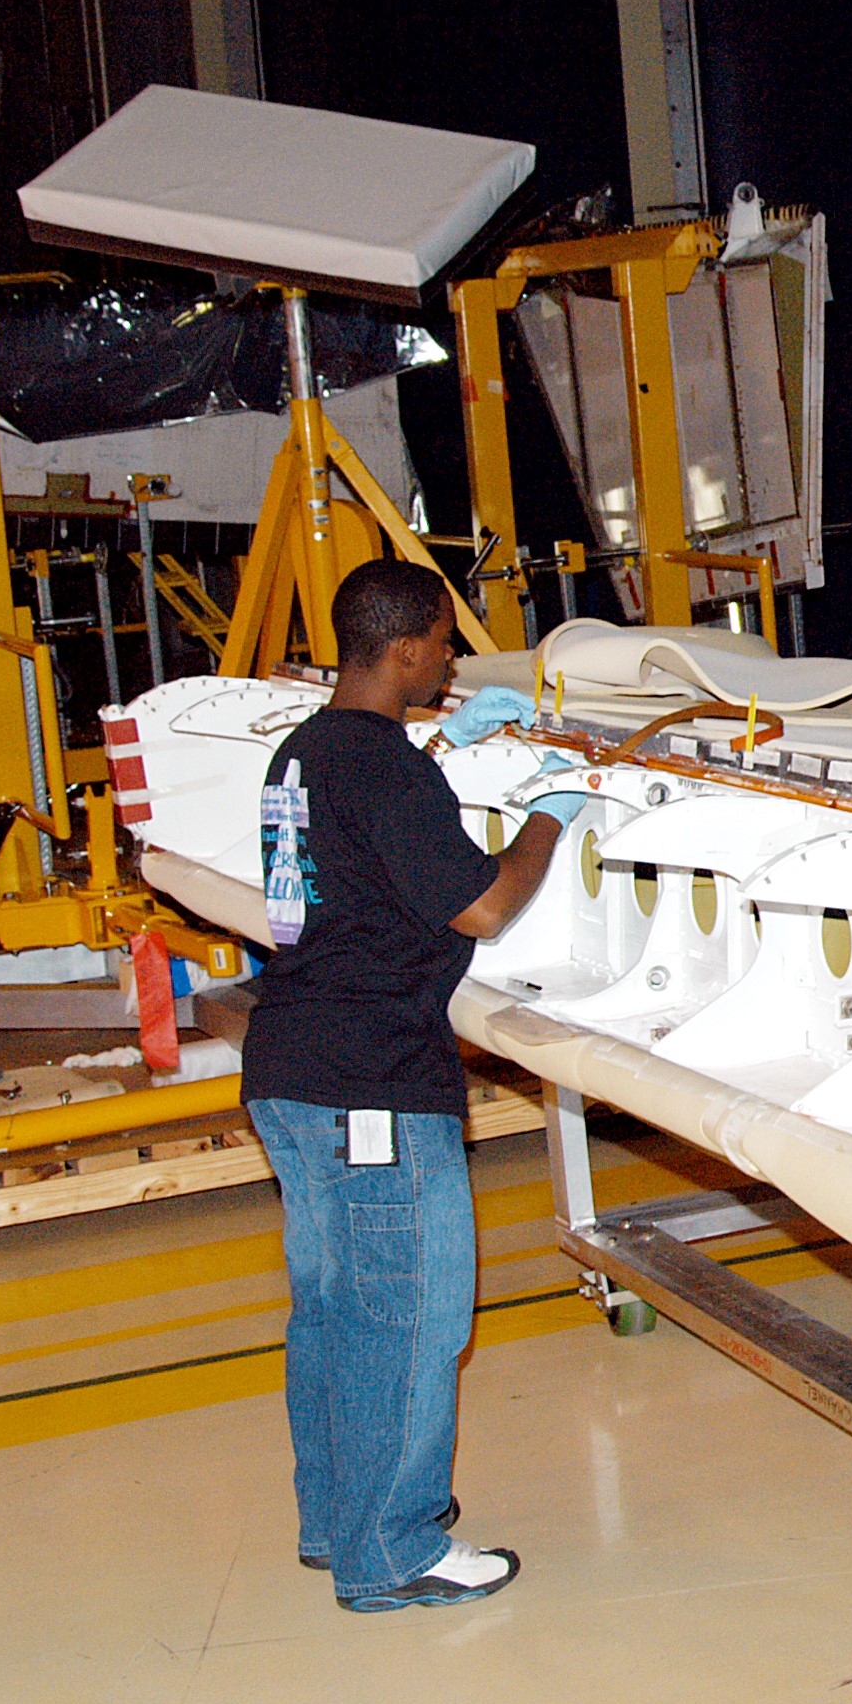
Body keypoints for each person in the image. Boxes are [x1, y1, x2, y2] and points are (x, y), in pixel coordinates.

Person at [242, 558, 582, 1612]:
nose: (450, 658)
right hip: (373, 1086)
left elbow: (368, 853)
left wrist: (441, 752)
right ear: (404, 650)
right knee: (412, 1317)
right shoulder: (379, 768)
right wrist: (552, 814)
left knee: (336, 1313)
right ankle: (393, 1551)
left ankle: (334, 1522)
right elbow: (477, 907)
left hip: (292, 1073)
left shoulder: (309, 753)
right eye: (442, 643)